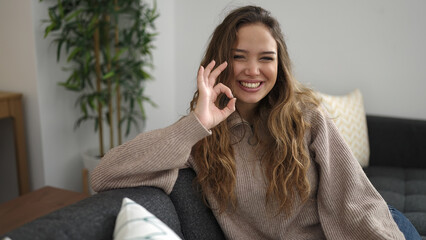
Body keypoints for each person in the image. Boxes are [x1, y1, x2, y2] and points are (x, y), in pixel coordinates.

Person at [91, 5, 421, 240]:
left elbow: (354, 201)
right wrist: (195, 123)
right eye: (239, 56)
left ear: (280, 66)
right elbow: (103, 175)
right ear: (220, 63)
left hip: (377, 226)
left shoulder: (308, 118)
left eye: (266, 58)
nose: (253, 70)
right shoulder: (200, 137)